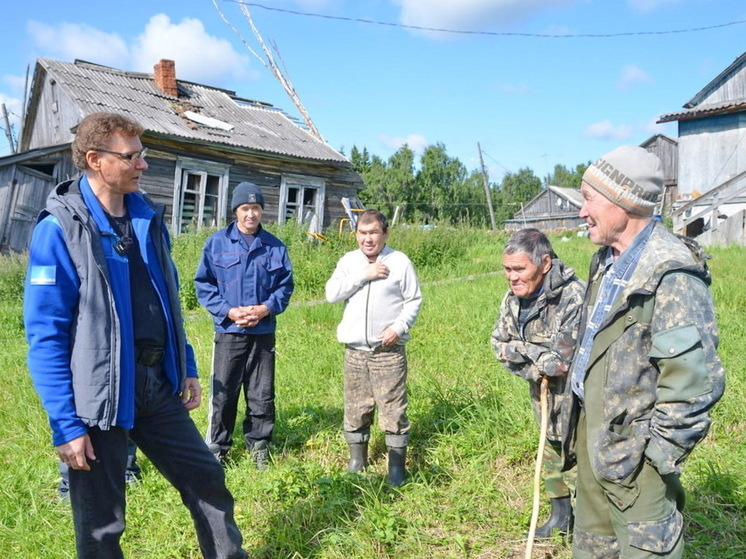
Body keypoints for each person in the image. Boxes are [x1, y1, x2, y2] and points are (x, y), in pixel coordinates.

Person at [23, 111, 247, 559]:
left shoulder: (147, 219)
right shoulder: (60, 230)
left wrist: (184, 366)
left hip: (155, 387)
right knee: (102, 524)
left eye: (142, 154)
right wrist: (65, 425)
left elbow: (165, 302)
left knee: (206, 479)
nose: (143, 165)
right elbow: (46, 334)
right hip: (99, 396)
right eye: (132, 156)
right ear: (95, 160)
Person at [565, 146, 726, 558]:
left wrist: (655, 457)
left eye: (589, 199)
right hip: (593, 437)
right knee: (592, 546)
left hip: (638, 457)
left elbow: (693, 385)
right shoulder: (606, 260)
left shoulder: (670, 273)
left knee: (645, 551)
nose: (582, 212)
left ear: (625, 202)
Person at [491, 228, 585, 538]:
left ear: (545, 264)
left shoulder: (573, 297)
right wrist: (534, 360)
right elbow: (497, 344)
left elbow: (560, 364)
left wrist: (522, 352)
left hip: (578, 400)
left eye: (520, 269)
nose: (512, 277)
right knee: (550, 453)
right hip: (542, 397)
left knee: (581, 459)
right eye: (507, 269)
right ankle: (561, 518)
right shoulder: (514, 298)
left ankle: (588, 525)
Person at [195, 181, 294, 469]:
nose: (251, 214)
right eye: (245, 208)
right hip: (229, 331)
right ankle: (218, 448)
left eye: (256, 208)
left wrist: (265, 309)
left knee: (261, 393)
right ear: (236, 211)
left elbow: (285, 287)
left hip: (263, 332)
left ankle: (259, 447)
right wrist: (229, 311)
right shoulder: (216, 243)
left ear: (262, 211)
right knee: (223, 392)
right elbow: (204, 285)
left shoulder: (275, 246)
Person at [325, 209, 422, 486]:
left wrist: (399, 327)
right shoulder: (348, 262)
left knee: (393, 408)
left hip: (387, 352)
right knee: (356, 406)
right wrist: (363, 274)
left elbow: (413, 300)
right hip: (355, 352)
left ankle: (396, 467)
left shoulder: (400, 262)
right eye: (362, 233)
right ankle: (358, 459)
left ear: (385, 233)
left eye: (374, 233)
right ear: (356, 234)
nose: (368, 239)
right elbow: (332, 294)